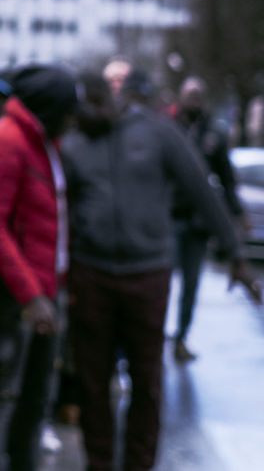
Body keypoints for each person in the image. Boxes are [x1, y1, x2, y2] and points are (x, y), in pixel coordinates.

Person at [62, 73, 262, 471]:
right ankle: (99, 462)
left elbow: (202, 189)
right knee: (93, 378)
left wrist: (235, 254)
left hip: (147, 273)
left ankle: (139, 463)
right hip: (92, 273)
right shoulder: (73, 144)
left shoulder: (158, 133)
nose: (89, 115)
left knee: (146, 378)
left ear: (112, 98)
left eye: (95, 105)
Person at [0, 65, 78, 471]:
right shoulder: (5, 141)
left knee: (34, 403)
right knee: (0, 401)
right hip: (12, 298)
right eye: (68, 111)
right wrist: (31, 296)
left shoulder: (44, 142)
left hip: (43, 292)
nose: (73, 120)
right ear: (50, 108)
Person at [169, 76, 244, 362]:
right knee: (160, 280)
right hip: (168, 218)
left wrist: (236, 213)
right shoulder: (169, 129)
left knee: (190, 284)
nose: (194, 101)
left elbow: (227, 179)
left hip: (197, 224)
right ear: (181, 97)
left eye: (199, 95)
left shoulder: (214, 134)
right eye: (190, 95)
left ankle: (181, 336)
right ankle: (154, 336)